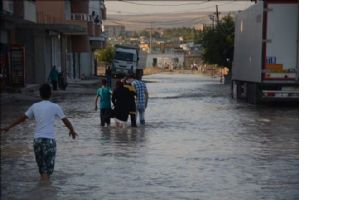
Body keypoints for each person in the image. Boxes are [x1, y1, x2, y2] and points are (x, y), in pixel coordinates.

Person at [0, 84, 78, 181]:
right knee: (47, 170)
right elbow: (65, 120)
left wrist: (9, 127)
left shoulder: (34, 106)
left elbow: (22, 119)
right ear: (51, 94)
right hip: (49, 141)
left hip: (37, 141)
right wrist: (72, 130)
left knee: (42, 169)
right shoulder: (55, 106)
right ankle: (46, 191)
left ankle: (42, 190)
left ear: (40, 95)